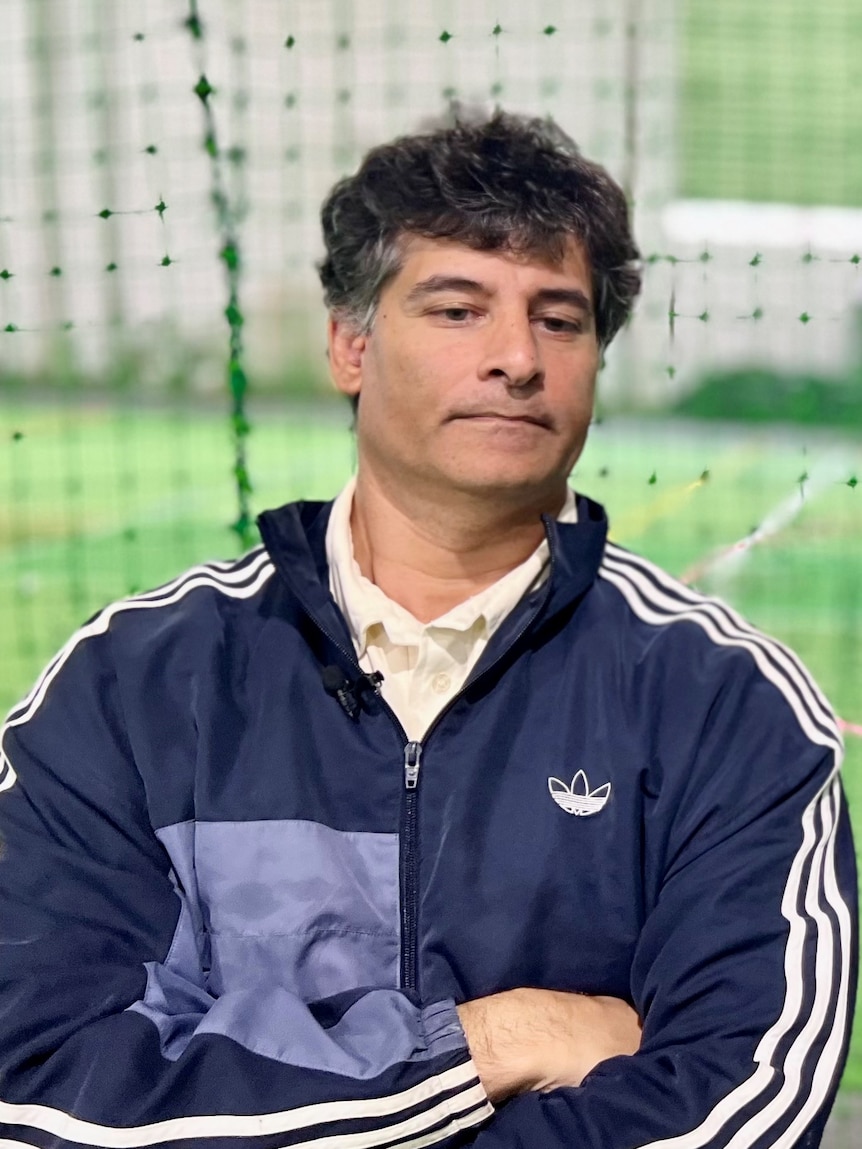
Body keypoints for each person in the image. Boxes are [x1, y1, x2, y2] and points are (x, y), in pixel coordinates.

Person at [0, 110, 856, 1149]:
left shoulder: (731, 708)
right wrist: (482, 1048)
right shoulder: (131, 686)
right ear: (350, 346)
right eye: (457, 311)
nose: (515, 358)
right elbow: (36, 1081)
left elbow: (738, 1109)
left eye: (560, 319)